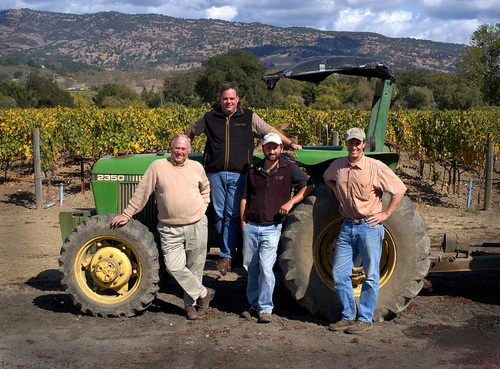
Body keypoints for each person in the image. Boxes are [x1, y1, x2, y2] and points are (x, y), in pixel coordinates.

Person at [186, 82, 302, 276]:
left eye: (232, 98)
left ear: (237, 99)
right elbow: (191, 130)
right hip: (215, 173)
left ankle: (227, 254)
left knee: (232, 214)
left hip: (240, 173)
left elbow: (270, 131)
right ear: (220, 100)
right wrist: (182, 147)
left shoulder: (248, 117)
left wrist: (290, 143)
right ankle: (228, 253)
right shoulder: (209, 117)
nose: (228, 101)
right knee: (219, 214)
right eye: (225, 98)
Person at [110, 134, 215, 321]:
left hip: (196, 225)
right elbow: (142, 192)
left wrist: (203, 207)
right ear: (171, 147)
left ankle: (190, 306)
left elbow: (205, 189)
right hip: (169, 228)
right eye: (177, 148)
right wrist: (127, 213)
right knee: (173, 266)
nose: (180, 152)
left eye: (183, 149)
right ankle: (203, 293)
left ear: (188, 150)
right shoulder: (157, 167)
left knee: (195, 267)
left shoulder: (196, 167)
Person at [323, 127, 407, 334]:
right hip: (347, 226)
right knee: (339, 273)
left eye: (358, 142)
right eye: (351, 142)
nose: (354, 146)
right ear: (347, 144)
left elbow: (400, 189)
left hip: (369, 227)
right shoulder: (338, 166)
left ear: (363, 145)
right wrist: (336, 192)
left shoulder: (375, 167)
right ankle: (348, 315)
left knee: (370, 275)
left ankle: (365, 318)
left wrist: (385, 214)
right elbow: (327, 178)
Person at [240, 132, 314, 323]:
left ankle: (265, 308)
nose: (271, 151)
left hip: (272, 227)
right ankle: (253, 305)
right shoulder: (253, 171)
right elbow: (245, 197)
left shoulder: (289, 168)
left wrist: (291, 203)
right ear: (263, 149)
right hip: (251, 226)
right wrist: (243, 222)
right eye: (268, 147)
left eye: (275, 147)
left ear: (281, 149)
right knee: (251, 267)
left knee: (266, 266)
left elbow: (309, 186)